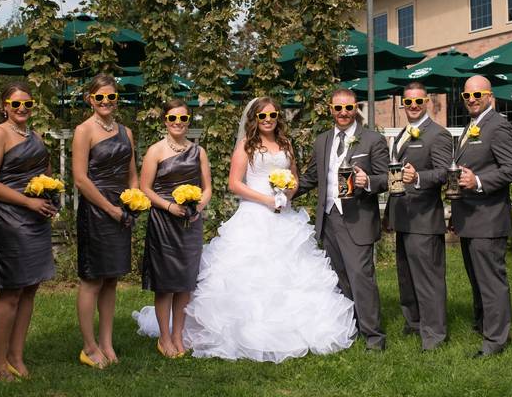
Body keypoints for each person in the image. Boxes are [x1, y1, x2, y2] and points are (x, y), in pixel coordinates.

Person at [171, 97, 356, 362]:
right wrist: (267, 200)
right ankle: (245, 332)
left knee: (291, 273)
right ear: (254, 119)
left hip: (284, 216)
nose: (268, 120)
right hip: (254, 215)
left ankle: (293, 329)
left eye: (272, 115)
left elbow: (293, 179)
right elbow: (235, 184)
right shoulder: (246, 146)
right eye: (262, 116)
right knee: (252, 275)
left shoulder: (286, 145)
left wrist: (287, 194)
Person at [297, 88, 389, 351]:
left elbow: (386, 178)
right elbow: (312, 177)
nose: (343, 113)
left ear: (356, 108)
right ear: (331, 109)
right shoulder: (322, 141)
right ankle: (350, 329)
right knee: (339, 278)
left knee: (361, 277)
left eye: (348, 108)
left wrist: (368, 180)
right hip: (329, 219)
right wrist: (288, 190)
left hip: (358, 218)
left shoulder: (372, 140)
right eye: (338, 108)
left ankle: (374, 337)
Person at [0, 82, 57, 381]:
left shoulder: (34, 136)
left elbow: (43, 173)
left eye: (27, 104)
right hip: (9, 220)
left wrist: (50, 193)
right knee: (10, 293)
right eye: (15, 103)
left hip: (36, 219)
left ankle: (16, 355)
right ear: (4, 106)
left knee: (30, 288)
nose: (22, 108)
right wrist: (27, 201)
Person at [375, 81, 455, 351]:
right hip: (402, 216)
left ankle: (434, 336)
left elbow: (445, 172)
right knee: (406, 276)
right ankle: (413, 324)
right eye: (407, 102)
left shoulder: (438, 135)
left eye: (417, 102)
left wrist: (419, 177)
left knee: (428, 280)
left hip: (424, 218)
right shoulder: (402, 134)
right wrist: (389, 214)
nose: (412, 106)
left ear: (427, 103)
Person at [450, 76, 512, 358]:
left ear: (490, 96)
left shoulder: (499, 126)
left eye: (477, 94)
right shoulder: (472, 126)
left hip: (489, 217)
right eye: (467, 96)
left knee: (491, 281)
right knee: (476, 278)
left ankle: (496, 340)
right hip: (469, 217)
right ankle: (484, 325)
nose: (472, 99)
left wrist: (479, 181)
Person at [134, 99, 212, 358]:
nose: (177, 123)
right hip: (164, 222)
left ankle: (179, 334)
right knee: (166, 283)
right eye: (172, 119)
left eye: (182, 119)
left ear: (188, 121)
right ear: (165, 121)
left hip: (190, 222)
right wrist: (169, 207)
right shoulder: (155, 151)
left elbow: (207, 187)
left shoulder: (198, 152)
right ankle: (164, 337)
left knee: (185, 283)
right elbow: (145, 188)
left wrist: (198, 207)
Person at [72, 74, 139, 368]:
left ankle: (107, 343)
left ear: (116, 99)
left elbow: (132, 172)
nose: (105, 102)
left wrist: (134, 200)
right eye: (99, 97)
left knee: (111, 279)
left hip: (122, 209)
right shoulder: (83, 131)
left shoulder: (126, 132)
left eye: (110, 97)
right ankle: (89, 346)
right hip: (96, 210)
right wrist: (110, 209)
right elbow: (80, 179)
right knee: (92, 279)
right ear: (90, 100)